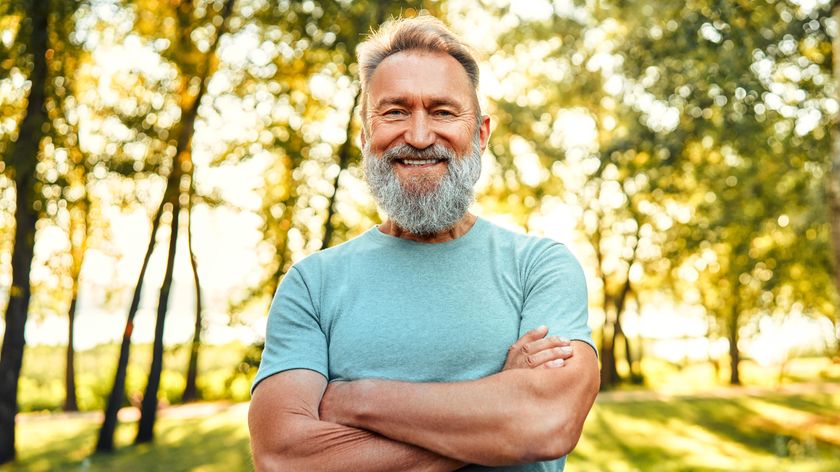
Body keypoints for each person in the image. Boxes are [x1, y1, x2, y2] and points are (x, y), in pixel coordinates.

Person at [248, 15, 599, 471]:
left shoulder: (540, 267)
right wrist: (495, 415)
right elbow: (284, 458)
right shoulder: (312, 284)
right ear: (365, 135)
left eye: (442, 111)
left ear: (480, 133)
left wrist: (357, 399)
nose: (417, 136)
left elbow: (547, 422)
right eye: (394, 111)